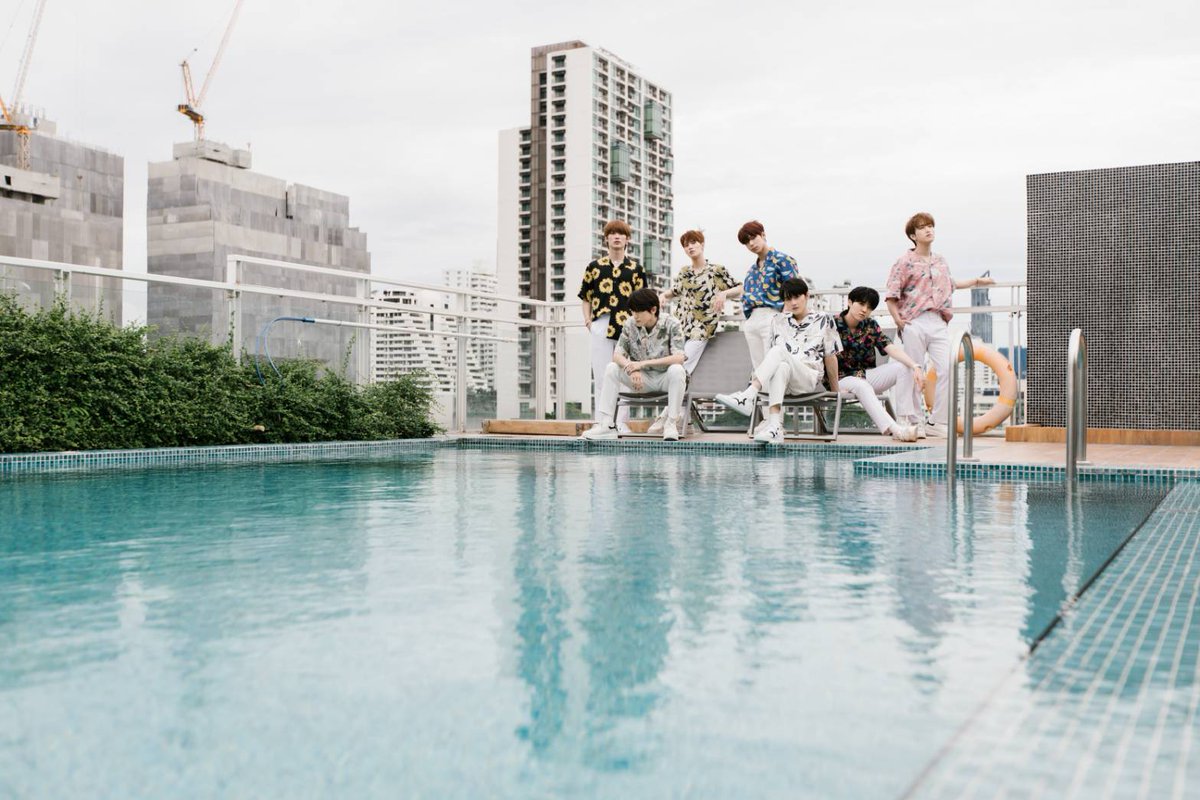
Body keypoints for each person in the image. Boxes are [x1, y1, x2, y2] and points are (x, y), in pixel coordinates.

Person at [885, 212, 993, 437]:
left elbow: (950, 284)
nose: (928, 230)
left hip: (938, 321)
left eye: (931, 226)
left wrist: (976, 281)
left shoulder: (940, 261)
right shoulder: (904, 262)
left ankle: (937, 421)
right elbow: (892, 294)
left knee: (947, 368)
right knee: (912, 370)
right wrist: (898, 321)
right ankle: (914, 421)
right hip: (913, 321)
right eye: (923, 227)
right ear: (913, 235)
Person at [714, 278, 840, 444]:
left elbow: (830, 356)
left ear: (807, 296)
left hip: (807, 377)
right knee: (780, 365)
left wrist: (836, 391)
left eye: (797, 297)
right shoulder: (777, 320)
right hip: (784, 378)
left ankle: (748, 395)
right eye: (788, 299)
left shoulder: (824, 319)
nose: (793, 302)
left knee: (779, 351)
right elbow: (771, 359)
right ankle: (775, 427)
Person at [648, 229, 741, 434]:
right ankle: (685, 420)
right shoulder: (684, 272)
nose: (690, 247)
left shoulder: (716, 270)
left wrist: (724, 294)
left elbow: (740, 288)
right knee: (679, 371)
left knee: (681, 367)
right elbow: (675, 291)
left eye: (693, 242)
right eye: (686, 244)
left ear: (702, 244)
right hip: (682, 327)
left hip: (702, 327)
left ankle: (667, 415)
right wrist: (663, 295)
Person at [582, 288, 687, 442]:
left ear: (653, 310)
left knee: (677, 370)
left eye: (638, 311)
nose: (634, 315)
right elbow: (617, 355)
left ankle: (670, 424)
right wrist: (631, 369)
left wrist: (641, 364)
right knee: (612, 367)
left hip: (664, 380)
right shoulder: (630, 324)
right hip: (641, 381)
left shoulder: (672, 323)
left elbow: (679, 358)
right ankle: (606, 425)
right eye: (632, 311)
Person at [579, 219, 646, 430]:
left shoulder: (636, 269)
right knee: (601, 374)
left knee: (625, 373)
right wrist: (589, 321)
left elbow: (643, 300)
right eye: (612, 233)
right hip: (601, 323)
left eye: (621, 233)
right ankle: (602, 421)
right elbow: (586, 297)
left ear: (627, 239)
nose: (616, 237)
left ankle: (621, 422)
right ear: (606, 239)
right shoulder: (594, 267)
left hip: (628, 326)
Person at [835, 286, 924, 442]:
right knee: (861, 385)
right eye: (861, 304)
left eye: (869, 307)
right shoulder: (832, 324)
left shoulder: (870, 325)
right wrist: (833, 384)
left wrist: (914, 366)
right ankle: (897, 431)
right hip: (840, 378)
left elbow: (890, 347)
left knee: (904, 367)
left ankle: (903, 421)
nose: (864, 310)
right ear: (849, 302)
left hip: (865, 375)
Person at [735, 220, 798, 369]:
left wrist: (784, 318)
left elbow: (794, 289)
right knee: (758, 367)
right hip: (752, 319)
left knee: (773, 365)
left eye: (753, 238)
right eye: (746, 242)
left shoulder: (783, 260)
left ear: (763, 235)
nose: (751, 243)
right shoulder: (751, 270)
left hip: (773, 315)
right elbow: (745, 292)